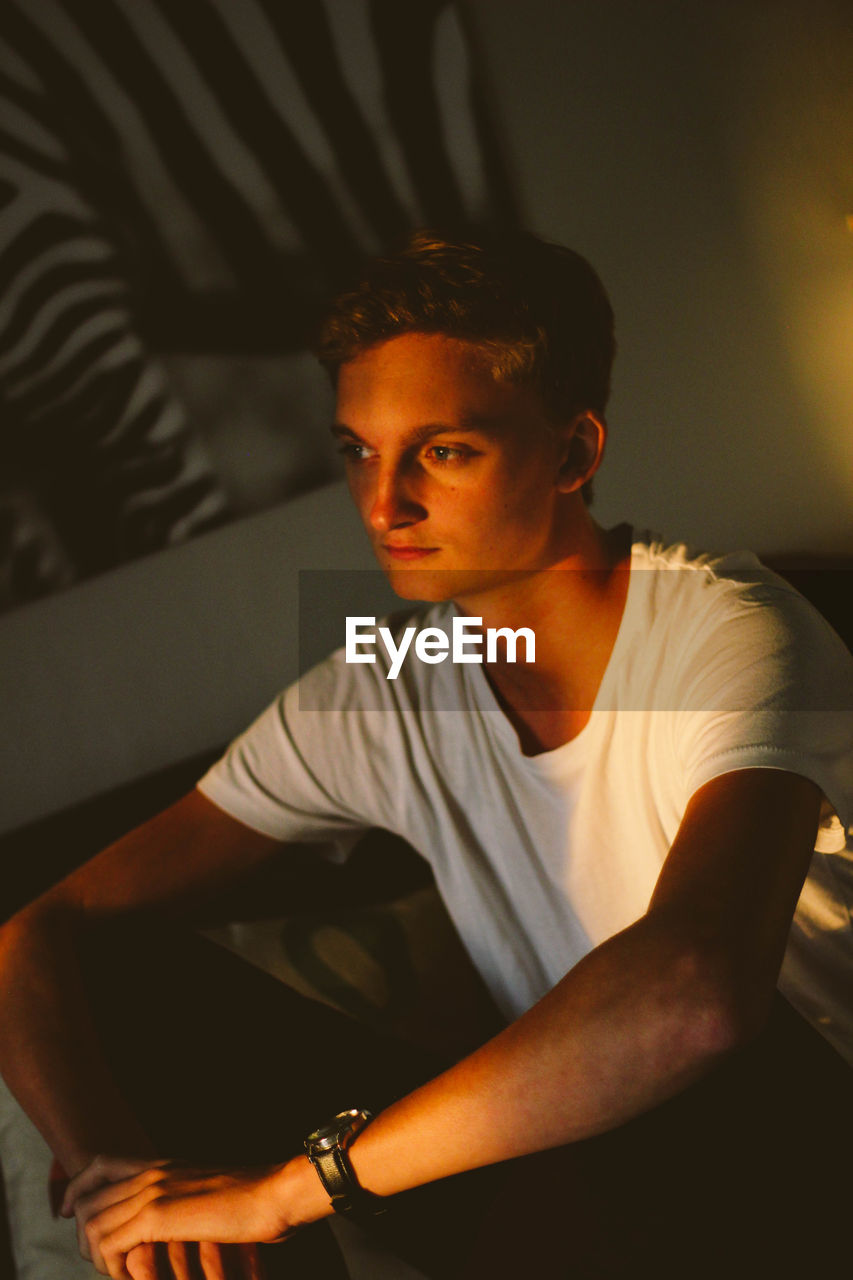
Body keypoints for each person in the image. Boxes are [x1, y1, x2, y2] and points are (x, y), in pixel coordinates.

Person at [1, 227, 851, 1280]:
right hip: (597, 1190)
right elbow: (36, 929)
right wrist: (109, 1167)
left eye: (442, 451)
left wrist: (286, 1188)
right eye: (359, 449)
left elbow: (695, 991)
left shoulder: (737, 629)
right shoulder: (386, 689)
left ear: (574, 453)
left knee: (686, 1065)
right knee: (125, 970)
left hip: (810, 1162)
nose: (383, 502)